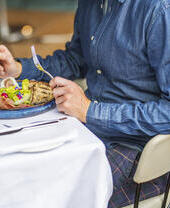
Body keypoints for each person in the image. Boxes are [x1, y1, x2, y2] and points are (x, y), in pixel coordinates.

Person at [0, 0, 170, 207]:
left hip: (140, 154)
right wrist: (17, 69)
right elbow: (76, 60)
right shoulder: (91, 3)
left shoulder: (160, 10)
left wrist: (90, 110)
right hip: (86, 132)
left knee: (51, 191)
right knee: (24, 173)